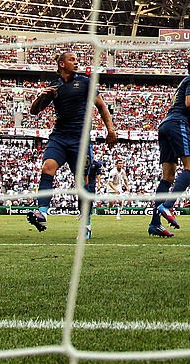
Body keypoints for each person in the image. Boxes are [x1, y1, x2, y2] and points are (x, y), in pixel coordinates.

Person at [27, 51, 117, 239]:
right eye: (72, 60)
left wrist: (110, 130)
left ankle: (86, 224)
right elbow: (34, 112)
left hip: (80, 139)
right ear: (61, 64)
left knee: (82, 183)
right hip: (59, 137)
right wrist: (40, 96)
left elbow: (101, 106)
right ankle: (42, 212)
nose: (77, 62)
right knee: (47, 167)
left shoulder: (85, 82)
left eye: (76, 59)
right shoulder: (54, 86)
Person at [148, 57, 190, 238]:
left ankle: (155, 224)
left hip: (166, 125)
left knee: (167, 177)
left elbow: (183, 106)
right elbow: (189, 103)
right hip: (176, 124)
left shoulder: (183, 83)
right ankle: (167, 205)